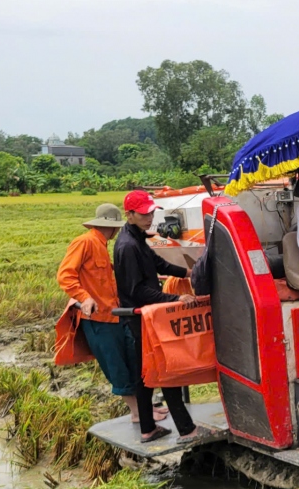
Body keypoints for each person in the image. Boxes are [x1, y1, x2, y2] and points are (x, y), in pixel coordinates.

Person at [56, 203, 167, 425]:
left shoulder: (102, 245)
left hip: (115, 315)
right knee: (117, 366)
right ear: (115, 227)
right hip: (97, 320)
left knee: (132, 361)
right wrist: (84, 297)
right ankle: (137, 413)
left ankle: (144, 407)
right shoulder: (85, 242)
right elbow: (65, 275)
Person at [114, 190, 199, 443]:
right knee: (164, 368)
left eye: (150, 212)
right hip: (141, 317)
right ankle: (186, 429)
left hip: (145, 316)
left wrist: (189, 273)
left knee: (147, 372)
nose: (149, 217)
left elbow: (158, 264)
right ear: (129, 215)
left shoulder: (136, 238)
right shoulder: (128, 246)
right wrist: (176, 299)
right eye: (143, 214)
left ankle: (148, 429)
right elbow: (137, 290)